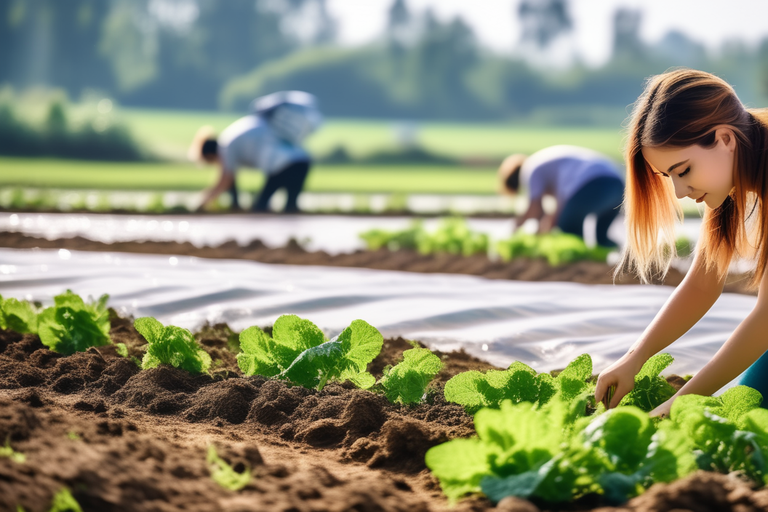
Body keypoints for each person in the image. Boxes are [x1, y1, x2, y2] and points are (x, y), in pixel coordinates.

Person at [594, 69, 768, 418]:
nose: (679, 191)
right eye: (668, 177)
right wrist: (634, 360)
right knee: (745, 408)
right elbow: (703, 285)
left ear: (725, 139)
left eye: (684, 170)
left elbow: (766, 320)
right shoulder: (728, 181)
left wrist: (678, 405)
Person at [189, 91, 322, 212]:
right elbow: (231, 179)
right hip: (302, 162)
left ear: (211, 154)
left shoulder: (226, 145)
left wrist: (202, 202)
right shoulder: (238, 131)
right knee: (290, 208)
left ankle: (274, 236)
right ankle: (291, 236)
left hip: (282, 166)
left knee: (260, 208)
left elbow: (226, 179)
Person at [498, 145, 624, 247]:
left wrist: (515, 228)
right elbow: (556, 210)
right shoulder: (544, 164)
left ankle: (577, 267)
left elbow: (534, 209)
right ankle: (614, 264)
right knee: (601, 238)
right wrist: (544, 229)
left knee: (568, 229)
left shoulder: (530, 169)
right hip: (617, 186)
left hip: (592, 183)